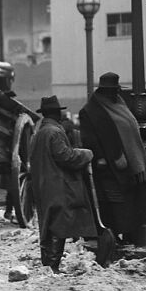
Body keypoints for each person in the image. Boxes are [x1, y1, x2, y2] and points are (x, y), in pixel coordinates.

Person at [79, 72, 146, 245]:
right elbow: (89, 138)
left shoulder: (120, 103)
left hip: (130, 163)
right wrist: (101, 157)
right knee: (114, 201)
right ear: (102, 91)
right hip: (108, 164)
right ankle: (115, 235)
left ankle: (130, 233)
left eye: (115, 89)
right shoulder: (90, 111)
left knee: (130, 199)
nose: (113, 93)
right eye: (110, 90)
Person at [29, 95, 97, 273]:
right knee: (58, 224)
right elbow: (66, 157)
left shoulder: (39, 133)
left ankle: (48, 264)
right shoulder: (54, 132)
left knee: (47, 223)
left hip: (43, 185)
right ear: (55, 113)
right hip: (57, 185)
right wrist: (86, 154)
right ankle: (53, 265)